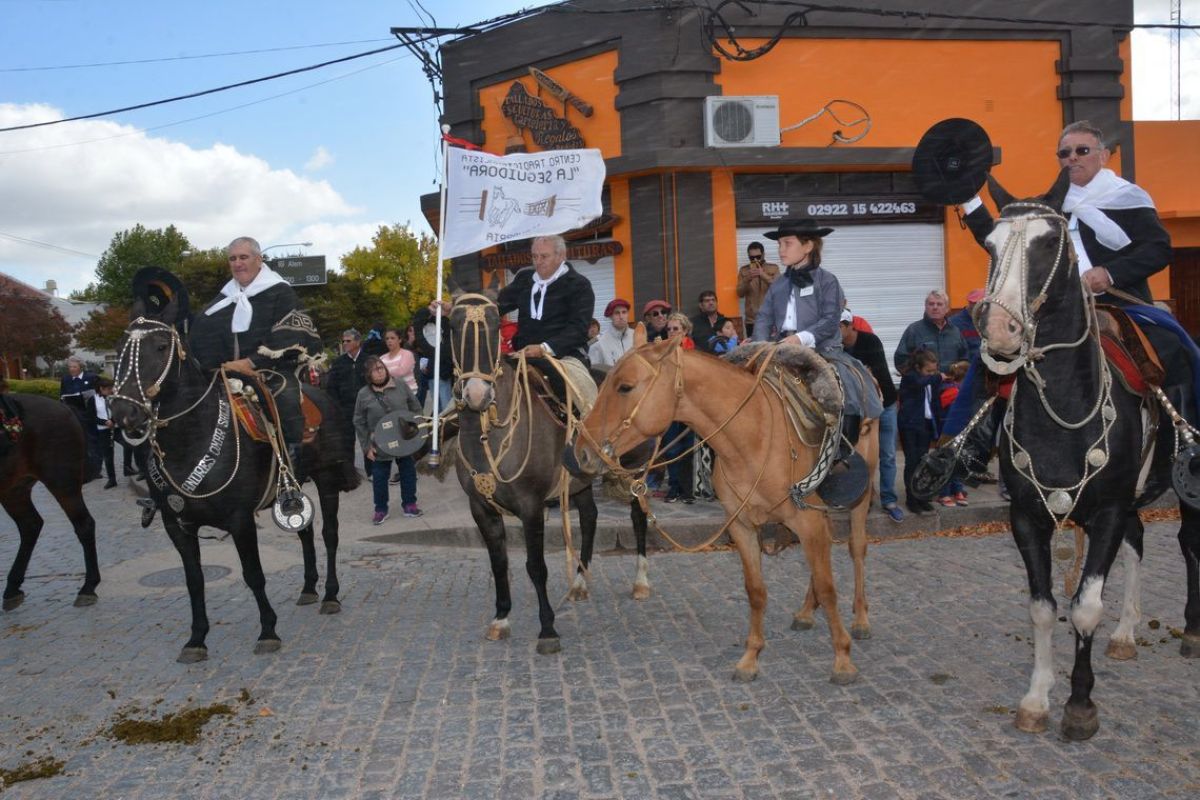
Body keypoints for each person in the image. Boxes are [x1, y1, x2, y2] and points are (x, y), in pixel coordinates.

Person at [188, 236, 322, 486]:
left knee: (286, 396)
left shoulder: (280, 291)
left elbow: (290, 332)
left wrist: (251, 362)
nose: (238, 263)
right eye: (232, 258)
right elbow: (200, 334)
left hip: (272, 369)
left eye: (243, 257)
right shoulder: (222, 299)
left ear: (259, 260)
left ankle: (292, 469)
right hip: (226, 372)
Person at [496, 234, 598, 412]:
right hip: (523, 354)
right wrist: (461, 306)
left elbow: (579, 328)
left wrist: (544, 348)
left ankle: (580, 428)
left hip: (565, 355)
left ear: (561, 256)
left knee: (581, 397)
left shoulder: (579, 285)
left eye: (544, 256)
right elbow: (496, 305)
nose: (538, 261)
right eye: (534, 256)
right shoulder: (524, 280)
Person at [840, 309, 903, 522]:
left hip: (885, 404)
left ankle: (889, 499)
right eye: (835, 326)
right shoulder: (835, 349)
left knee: (887, 454)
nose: (838, 330)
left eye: (842, 325)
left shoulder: (870, 341)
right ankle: (863, 499)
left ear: (851, 326)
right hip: (858, 410)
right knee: (860, 457)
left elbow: (871, 372)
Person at [354, 356, 423, 524]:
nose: (379, 372)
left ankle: (409, 504)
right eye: (374, 370)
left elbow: (415, 408)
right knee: (379, 477)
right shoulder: (363, 394)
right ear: (368, 375)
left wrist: (417, 431)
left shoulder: (399, 385)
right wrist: (366, 447)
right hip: (380, 443)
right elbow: (359, 420)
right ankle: (381, 509)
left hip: (404, 438)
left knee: (408, 472)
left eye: (381, 368)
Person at [898, 349, 942, 515]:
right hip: (910, 425)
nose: (932, 374)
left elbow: (934, 400)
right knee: (912, 462)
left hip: (925, 424)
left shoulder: (929, 380)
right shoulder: (911, 377)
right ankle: (911, 498)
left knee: (923, 462)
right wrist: (936, 377)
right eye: (928, 371)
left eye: (934, 370)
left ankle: (922, 496)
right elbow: (920, 383)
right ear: (917, 367)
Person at [662, 313, 696, 504]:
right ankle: (674, 487)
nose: (672, 332)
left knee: (688, 449)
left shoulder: (693, 351)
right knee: (672, 449)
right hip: (671, 407)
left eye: (676, 329)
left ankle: (688, 490)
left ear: (684, 331)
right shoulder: (663, 351)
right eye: (669, 329)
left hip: (690, 407)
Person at [893, 290, 969, 374]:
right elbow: (900, 361)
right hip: (922, 386)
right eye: (931, 304)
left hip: (951, 384)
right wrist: (919, 379)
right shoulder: (914, 330)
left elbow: (965, 359)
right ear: (925, 307)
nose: (935, 307)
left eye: (939, 304)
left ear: (947, 308)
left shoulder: (955, 332)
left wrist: (957, 371)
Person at [327, 328, 370, 473]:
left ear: (358, 342)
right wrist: (336, 407)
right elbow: (331, 387)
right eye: (343, 341)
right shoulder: (338, 363)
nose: (345, 343)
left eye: (348, 341)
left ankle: (371, 469)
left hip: (366, 407)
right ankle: (350, 471)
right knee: (346, 440)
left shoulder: (368, 360)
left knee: (368, 438)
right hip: (346, 408)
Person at [935, 361, 971, 508]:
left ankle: (954, 491)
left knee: (954, 462)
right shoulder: (956, 392)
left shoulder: (952, 389)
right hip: (952, 434)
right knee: (950, 462)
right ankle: (948, 492)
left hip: (954, 433)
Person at [59, 356, 101, 481]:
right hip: (73, 414)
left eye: (74, 367)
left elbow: (98, 393)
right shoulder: (66, 379)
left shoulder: (91, 377)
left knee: (93, 441)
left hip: (89, 414)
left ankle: (97, 469)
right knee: (78, 441)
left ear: (80, 367)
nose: (72, 369)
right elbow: (62, 395)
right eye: (70, 367)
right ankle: (83, 467)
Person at [736, 241, 779, 339]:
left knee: (772, 348)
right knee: (754, 349)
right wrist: (747, 279)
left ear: (763, 255)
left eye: (758, 257)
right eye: (752, 258)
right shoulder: (744, 270)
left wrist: (763, 275)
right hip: (752, 320)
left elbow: (778, 288)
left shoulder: (774, 268)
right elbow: (739, 293)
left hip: (771, 318)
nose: (755, 260)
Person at [589, 298, 635, 369]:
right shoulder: (598, 343)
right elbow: (595, 375)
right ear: (610, 316)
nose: (621, 316)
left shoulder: (637, 336)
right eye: (617, 313)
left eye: (624, 312)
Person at [91, 377, 119, 489]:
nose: (111, 390)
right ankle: (112, 479)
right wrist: (104, 422)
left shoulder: (114, 397)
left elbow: (118, 410)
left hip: (117, 427)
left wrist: (113, 420)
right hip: (103, 430)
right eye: (108, 389)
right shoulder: (93, 400)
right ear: (101, 389)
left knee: (130, 446)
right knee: (108, 456)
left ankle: (131, 467)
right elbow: (91, 417)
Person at [948, 289, 984, 363]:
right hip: (964, 369)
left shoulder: (989, 321)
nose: (983, 309)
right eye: (980, 305)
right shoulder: (953, 323)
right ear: (971, 303)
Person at [381, 327, 418, 394]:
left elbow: (401, 372)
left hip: (408, 392)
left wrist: (383, 373)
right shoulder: (382, 358)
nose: (389, 341)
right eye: (387, 339)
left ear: (400, 340)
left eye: (392, 338)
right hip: (389, 393)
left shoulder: (407, 354)